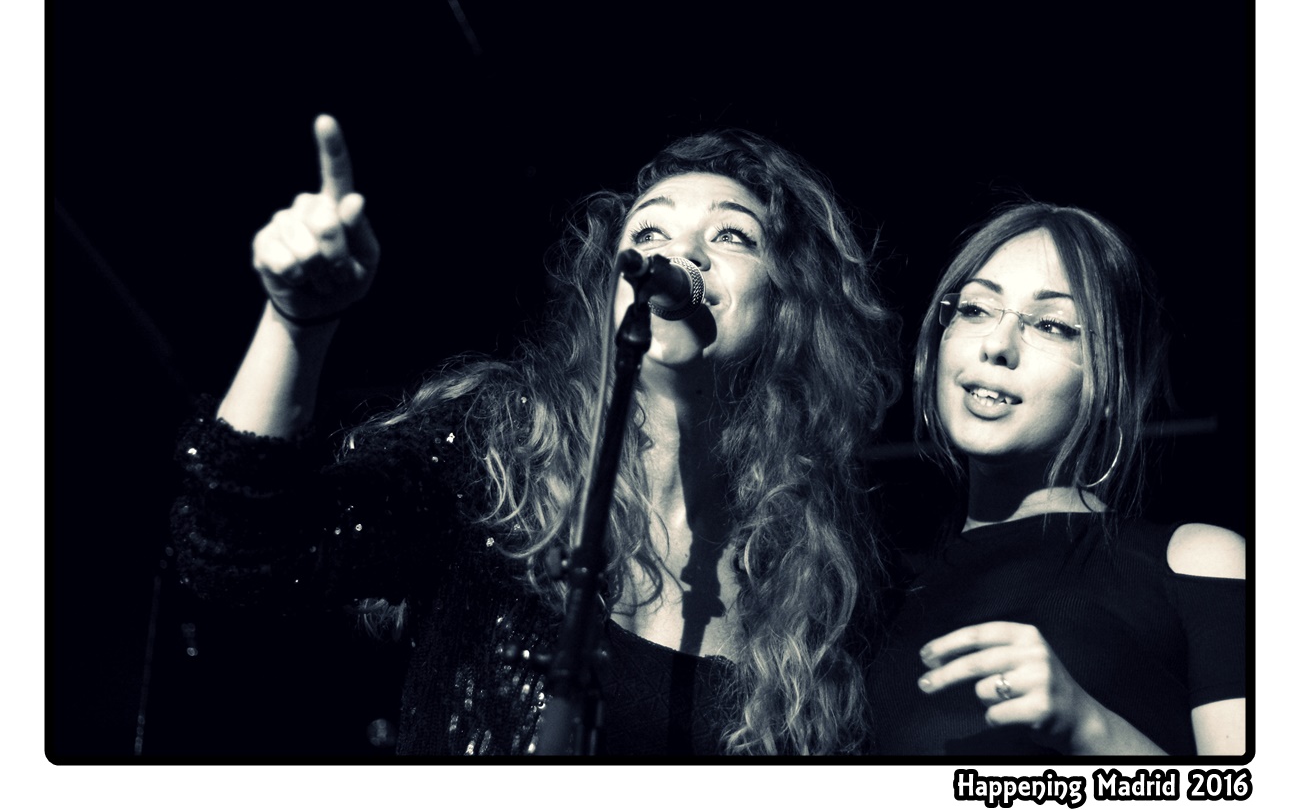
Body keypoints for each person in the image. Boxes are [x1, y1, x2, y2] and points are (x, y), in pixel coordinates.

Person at [171, 115, 901, 756]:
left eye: (732, 235)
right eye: (649, 232)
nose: (681, 253)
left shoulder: (812, 576)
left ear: (788, 304)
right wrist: (296, 322)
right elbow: (242, 552)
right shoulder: (499, 449)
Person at [866, 201, 1246, 756]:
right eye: (974, 309)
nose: (997, 345)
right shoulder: (873, 598)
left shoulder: (1195, 562)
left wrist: (1089, 727)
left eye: (1051, 325)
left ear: (1111, 380)